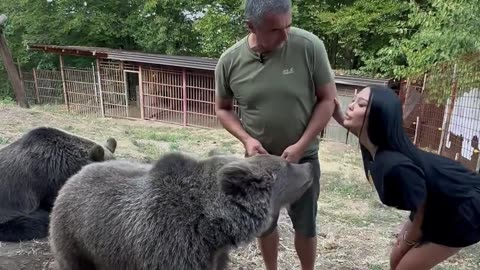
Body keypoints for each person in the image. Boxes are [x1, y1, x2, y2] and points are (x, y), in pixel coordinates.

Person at [214, 0, 337, 269]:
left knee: (306, 225)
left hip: (303, 159)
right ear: (251, 26)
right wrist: (246, 139)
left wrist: (302, 144)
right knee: (265, 225)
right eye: (275, 29)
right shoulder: (230, 61)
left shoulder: (309, 46)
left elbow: (328, 100)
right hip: (258, 163)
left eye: (288, 26)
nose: (285, 35)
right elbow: (223, 110)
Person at [332, 85, 480, 270]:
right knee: (396, 260)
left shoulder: (394, 165)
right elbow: (359, 130)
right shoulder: (374, 147)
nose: (351, 106)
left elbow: (422, 206)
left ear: (379, 117)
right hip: (436, 202)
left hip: (461, 207)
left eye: (361, 104)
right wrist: (338, 114)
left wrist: (407, 240)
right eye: (353, 101)